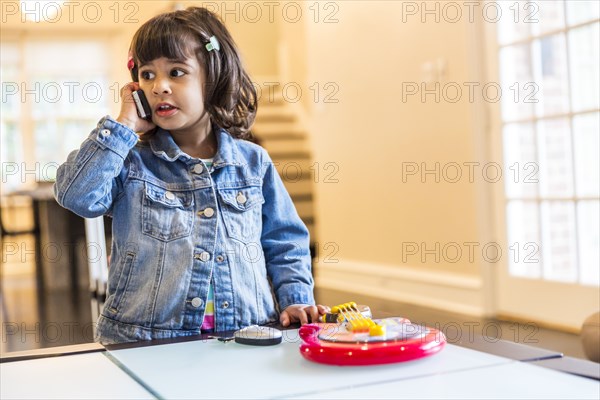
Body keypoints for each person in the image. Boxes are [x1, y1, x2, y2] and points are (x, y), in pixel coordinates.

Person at [54, 6, 326, 344]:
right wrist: (123, 126)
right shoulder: (133, 163)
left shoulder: (254, 163)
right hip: (146, 342)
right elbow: (76, 195)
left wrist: (296, 298)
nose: (159, 87)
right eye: (148, 74)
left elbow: (285, 242)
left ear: (214, 78)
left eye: (177, 72)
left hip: (247, 334)